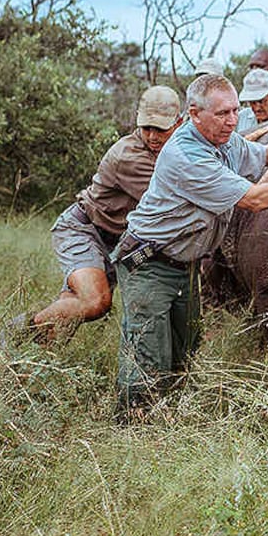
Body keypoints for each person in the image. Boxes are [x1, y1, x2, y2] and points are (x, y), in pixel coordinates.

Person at [114, 74, 268, 416]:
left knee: (183, 352)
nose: (232, 120)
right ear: (194, 114)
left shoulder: (221, 140)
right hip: (149, 263)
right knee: (148, 357)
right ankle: (133, 429)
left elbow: (265, 153)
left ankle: (168, 421)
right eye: (222, 113)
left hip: (182, 264)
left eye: (235, 110)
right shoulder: (187, 156)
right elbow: (254, 199)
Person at [16, 87, 184, 344]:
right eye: (146, 127)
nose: (152, 136)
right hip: (85, 229)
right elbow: (180, 192)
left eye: (160, 129)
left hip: (117, 241)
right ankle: (19, 329)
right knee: (96, 301)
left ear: (178, 123)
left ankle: (28, 354)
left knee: (74, 306)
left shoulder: (171, 150)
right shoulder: (129, 156)